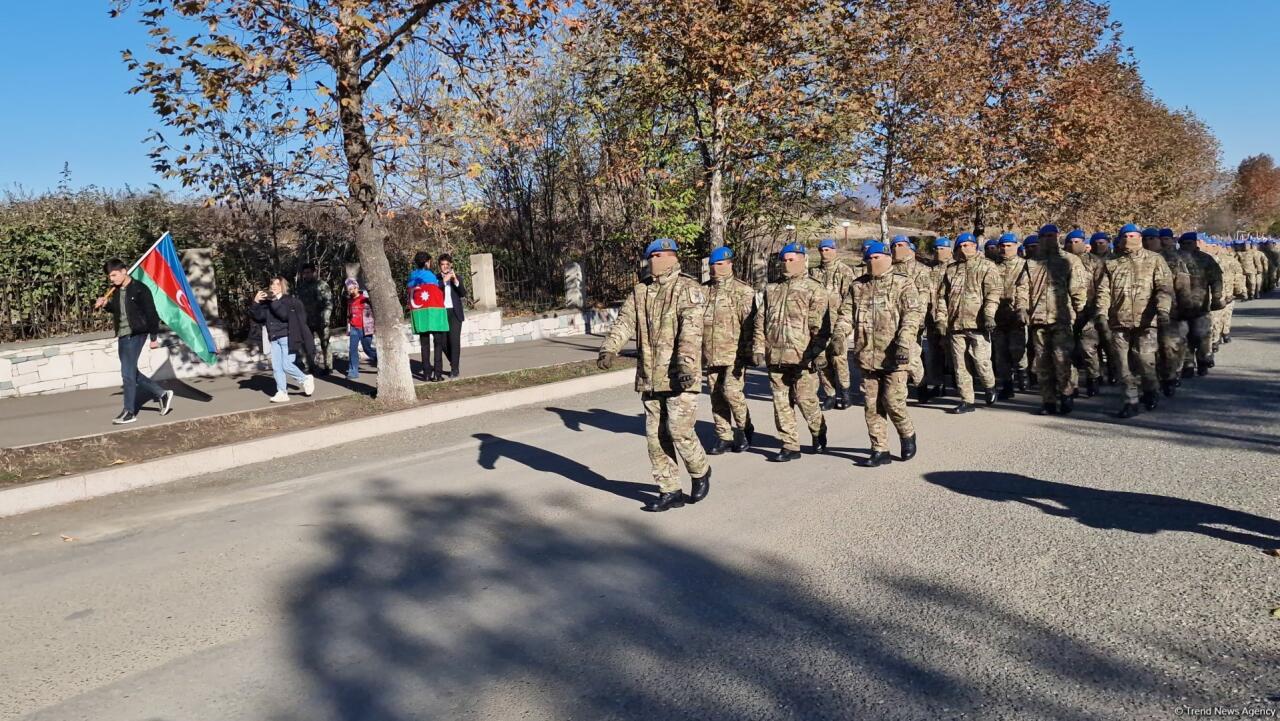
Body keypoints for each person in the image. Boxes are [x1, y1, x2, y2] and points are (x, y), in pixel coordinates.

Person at [597, 238, 709, 512]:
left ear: (672, 257)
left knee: (679, 431)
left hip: (680, 376)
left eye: (660, 256)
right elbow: (625, 322)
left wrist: (685, 364)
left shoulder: (688, 289)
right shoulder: (641, 291)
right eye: (652, 256)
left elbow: (691, 331)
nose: (655, 261)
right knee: (655, 436)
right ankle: (669, 490)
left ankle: (700, 469)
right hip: (650, 375)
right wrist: (609, 348)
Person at [840, 241, 923, 467]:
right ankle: (880, 449)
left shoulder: (903, 284)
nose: (872, 262)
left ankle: (907, 434)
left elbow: (912, 316)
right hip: (866, 355)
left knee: (893, 402)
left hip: (895, 356)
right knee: (872, 406)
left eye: (876, 258)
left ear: (887, 258)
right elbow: (846, 314)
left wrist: (904, 344)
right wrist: (839, 335)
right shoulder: (857, 286)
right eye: (868, 258)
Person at [753, 242, 830, 462]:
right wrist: (758, 348)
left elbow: (821, 327)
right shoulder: (771, 289)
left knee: (806, 400)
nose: (787, 264)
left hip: (802, 357)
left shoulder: (814, 289)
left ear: (803, 260)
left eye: (792, 260)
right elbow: (760, 321)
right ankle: (790, 445)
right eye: (784, 260)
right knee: (781, 402)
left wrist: (817, 353)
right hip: (775, 356)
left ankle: (818, 430)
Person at [1097, 224, 1172, 419]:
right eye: (1125, 236)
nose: (1129, 239)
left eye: (1133, 235)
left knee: (1145, 360)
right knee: (1122, 364)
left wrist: (1163, 310)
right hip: (1118, 321)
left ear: (1140, 237)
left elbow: (1163, 288)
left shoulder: (1155, 260)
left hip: (1146, 321)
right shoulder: (1112, 262)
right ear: (1120, 239)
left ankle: (1151, 389)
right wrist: (1101, 313)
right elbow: (1103, 291)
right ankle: (1130, 401)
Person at [94, 259, 175, 425]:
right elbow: (118, 310)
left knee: (127, 374)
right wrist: (106, 304)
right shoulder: (116, 290)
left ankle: (129, 412)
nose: (112, 279)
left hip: (137, 333)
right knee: (131, 371)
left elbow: (152, 313)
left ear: (124, 271)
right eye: (110, 276)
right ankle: (162, 393)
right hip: (123, 334)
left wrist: (153, 337)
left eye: (114, 275)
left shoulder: (140, 289)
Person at [1023, 224, 1087, 415]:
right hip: (1038, 320)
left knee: (1062, 360)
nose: (1048, 239)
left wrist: (1080, 312)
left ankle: (1066, 395)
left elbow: (1078, 289)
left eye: (1051, 235)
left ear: (1057, 237)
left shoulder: (1070, 260)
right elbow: (1022, 289)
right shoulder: (1031, 262)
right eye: (1044, 236)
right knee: (1042, 363)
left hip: (1062, 319)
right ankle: (1048, 401)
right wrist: (1022, 308)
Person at [936, 233, 1001, 414]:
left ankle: (989, 386)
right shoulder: (951, 270)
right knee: (960, 365)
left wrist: (989, 316)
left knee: (981, 361)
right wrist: (941, 319)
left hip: (978, 324)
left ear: (975, 246)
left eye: (967, 245)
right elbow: (942, 297)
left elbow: (993, 294)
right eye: (960, 246)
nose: (964, 249)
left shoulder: (987, 266)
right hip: (956, 325)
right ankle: (967, 400)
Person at [702, 245, 757, 454]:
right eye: (712, 265)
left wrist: (750, 351)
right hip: (710, 353)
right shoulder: (703, 290)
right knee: (716, 396)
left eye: (720, 264)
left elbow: (750, 325)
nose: (715, 268)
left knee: (732, 392)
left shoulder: (742, 291)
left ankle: (744, 429)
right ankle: (723, 435)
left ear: (730, 264)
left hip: (735, 354)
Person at [250, 276, 316, 403]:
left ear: (283, 287)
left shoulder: (289, 301)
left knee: (286, 365)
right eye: (272, 284)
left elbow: (284, 315)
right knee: (276, 367)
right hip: (274, 338)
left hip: (287, 337)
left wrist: (274, 300)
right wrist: (256, 302)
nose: (274, 286)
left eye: (277, 284)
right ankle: (282, 392)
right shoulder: (268, 302)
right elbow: (258, 317)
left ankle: (305, 379)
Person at [810, 238, 857, 409]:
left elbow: (850, 299)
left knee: (839, 359)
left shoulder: (844, 271)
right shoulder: (814, 272)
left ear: (835, 250)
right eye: (822, 250)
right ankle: (830, 394)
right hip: (818, 325)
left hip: (838, 323)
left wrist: (846, 325)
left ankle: (845, 393)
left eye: (828, 249)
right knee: (821, 360)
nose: (825, 253)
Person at [1146, 228, 1192, 397]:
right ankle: (1154, 382)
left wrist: (1185, 308)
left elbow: (1183, 286)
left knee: (1169, 347)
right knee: (1149, 350)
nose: (1148, 242)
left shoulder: (1173, 259)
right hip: (1143, 313)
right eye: (1146, 238)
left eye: (1152, 238)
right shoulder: (1137, 259)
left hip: (1171, 312)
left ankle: (1171, 376)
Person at [1176, 231, 1223, 377]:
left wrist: (1216, 298)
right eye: (1183, 243)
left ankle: (1203, 360)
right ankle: (1188, 364)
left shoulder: (1206, 259)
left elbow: (1216, 280)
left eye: (1189, 243)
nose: (1186, 246)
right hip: (1180, 306)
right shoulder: (1175, 260)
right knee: (1183, 337)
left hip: (1200, 305)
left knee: (1201, 335)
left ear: (1195, 243)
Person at [890, 235, 932, 396]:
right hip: (890, 319)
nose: (896, 248)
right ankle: (898, 390)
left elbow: (923, 296)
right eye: (894, 245)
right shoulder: (889, 268)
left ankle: (921, 385)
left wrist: (919, 318)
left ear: (908, 246)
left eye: (900, 245)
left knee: (912, 355)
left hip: (911, 319)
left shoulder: (920, 270)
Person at [1067, 231, 1106, 396]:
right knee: (1068, 350)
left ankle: (1093, 378)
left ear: (1084, 242)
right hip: (1067, 312)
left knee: (1087, 347)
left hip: (1089, 311)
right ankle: (1072, 384)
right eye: (1070, 241)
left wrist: (1099, 309)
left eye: (1077, 241)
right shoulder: (1062, 261)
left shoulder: (1095, 262)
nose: (1074, 244)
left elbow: (1102, 287)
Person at [991, 233, 1029, 399]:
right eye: (1003, 246)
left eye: (1009, 246)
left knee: (1017, 350)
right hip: (997, 315)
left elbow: (1025, 289)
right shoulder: (993, 266)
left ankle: (1023, 376)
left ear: (1016, 246)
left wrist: (1022, 309)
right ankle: (1007, 386)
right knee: (1001, 353)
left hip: (1016, 314)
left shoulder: (1024, 265)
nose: (1005, 249)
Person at [921, 237, 953, 401]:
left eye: (942, 248)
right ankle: (939, 384)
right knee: (935, 352)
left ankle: (959, 383)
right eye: (936, 249)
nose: (938, 252)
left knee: (955, 353)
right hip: (931, 317)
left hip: (953, 317)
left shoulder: (955, 267)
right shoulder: (928, 269)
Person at [295, 263, 334, 375]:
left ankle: (328, 367)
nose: (306, 275)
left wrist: (326, 317)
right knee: (308, 345)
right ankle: (311, 366)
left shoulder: (322, 285)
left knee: (325, 343)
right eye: (304, 273)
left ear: (313, 272)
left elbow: (328, 302)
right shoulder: (301, 287)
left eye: (308, 272)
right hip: (307, 321)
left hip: (321, 320)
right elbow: (298, 304)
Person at [409, 252, 442, 381]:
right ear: (427, 262)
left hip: (420, 313)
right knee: (438, 343)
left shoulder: (412, 276)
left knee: (424, 345)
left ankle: (426, 374)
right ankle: (437, 374)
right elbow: (436, 292)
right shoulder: (430, 276)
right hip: (434, 313)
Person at [437, 254, 468, 378]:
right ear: (439, 266)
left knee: (454, 341)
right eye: (442, 265)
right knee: (443, 342)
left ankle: (454, 369)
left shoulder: (457, 277)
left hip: (455, 313)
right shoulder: (436, 278)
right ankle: (453, 361)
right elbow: (434, 290)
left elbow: (463, 293)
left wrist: (455, 280)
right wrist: (443, 281)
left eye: (447, 265)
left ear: (451, 265)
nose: (445, 267)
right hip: (441, 313)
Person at [342, 278, 378, 380]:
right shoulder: (350, 301)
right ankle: (353, 371)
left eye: (352, 288)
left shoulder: (365, 298)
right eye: (349, 289)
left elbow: (374, 310)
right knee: (352, 349)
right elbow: (349, 314)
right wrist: (349, 326)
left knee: (367, 348)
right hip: (354, 328)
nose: (351, 290)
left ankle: (379, 359)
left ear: (357, 287)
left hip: (365, 328)